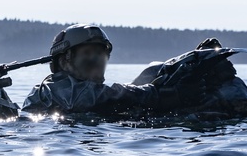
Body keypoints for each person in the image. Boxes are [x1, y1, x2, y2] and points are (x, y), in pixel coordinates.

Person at [21, 24, 207, 116]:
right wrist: (168, 94)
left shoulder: (80, 91)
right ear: (64, 60)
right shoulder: (55, 88)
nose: (97, 60)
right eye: (88, 53)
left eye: (101, 54)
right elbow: (104, 95)